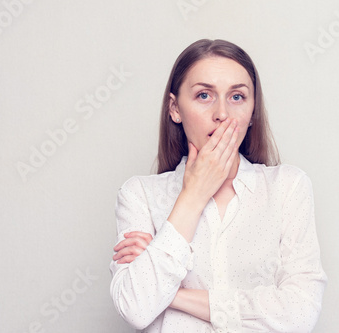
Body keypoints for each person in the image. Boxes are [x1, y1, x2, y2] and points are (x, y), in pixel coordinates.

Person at [110, 39, 326, 332]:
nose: (222, 114)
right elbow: (136, 306)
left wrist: (170, 294)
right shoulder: (140, 195)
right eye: (203, 95)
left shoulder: (287, 187)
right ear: (175, 108)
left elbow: (299, 314)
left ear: (252, 113)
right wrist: (194, 195)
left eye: (237, 97)